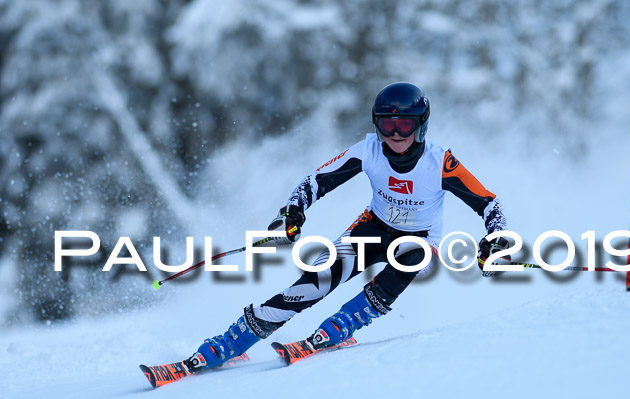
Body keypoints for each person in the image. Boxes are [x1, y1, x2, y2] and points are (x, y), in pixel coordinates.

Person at [186, 82, 511, 371]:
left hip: (420, 241)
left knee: (409, 254)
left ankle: (343, 324)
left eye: (405, 125)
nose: (395, 135)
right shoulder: (368, 150)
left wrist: (495, 239)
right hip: (372, 228)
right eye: (387, 124)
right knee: (317, 280)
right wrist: (293, 213)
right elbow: (316, 180)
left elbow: (489, 203)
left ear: (421, 126)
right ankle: (234, 341)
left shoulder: (439, 162)